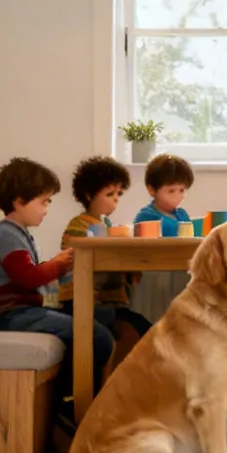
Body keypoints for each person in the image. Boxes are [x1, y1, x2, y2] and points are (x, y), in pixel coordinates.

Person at [0, 157, 111, 407]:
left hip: (24, 310)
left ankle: (76, 394)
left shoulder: (18, 234)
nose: (47, 208)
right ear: (19, 201)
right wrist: (58, 265)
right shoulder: (7, 235)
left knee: (100, 318)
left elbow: (30, 274)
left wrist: (56, 266)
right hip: (11, 315)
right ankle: (72, 399)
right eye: (44, 201)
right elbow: (28, 278)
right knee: (97, 336)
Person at [60, 157, 153, 372]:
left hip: (106, 303)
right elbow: (87, 261)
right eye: (109, 194)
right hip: (83, 303)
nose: (115, 201)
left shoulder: (104, 226)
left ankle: (120, 385)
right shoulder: (80, 227)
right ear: (89, 195)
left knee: (145, 329)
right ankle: (111, 385)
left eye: (118, 195)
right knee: (131, 332)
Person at [133, 153, 195, 231]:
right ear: (151, 190)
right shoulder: (147, 217)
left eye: (181, 190)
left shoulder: (182, 215)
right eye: (171, 191)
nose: (177, 195)